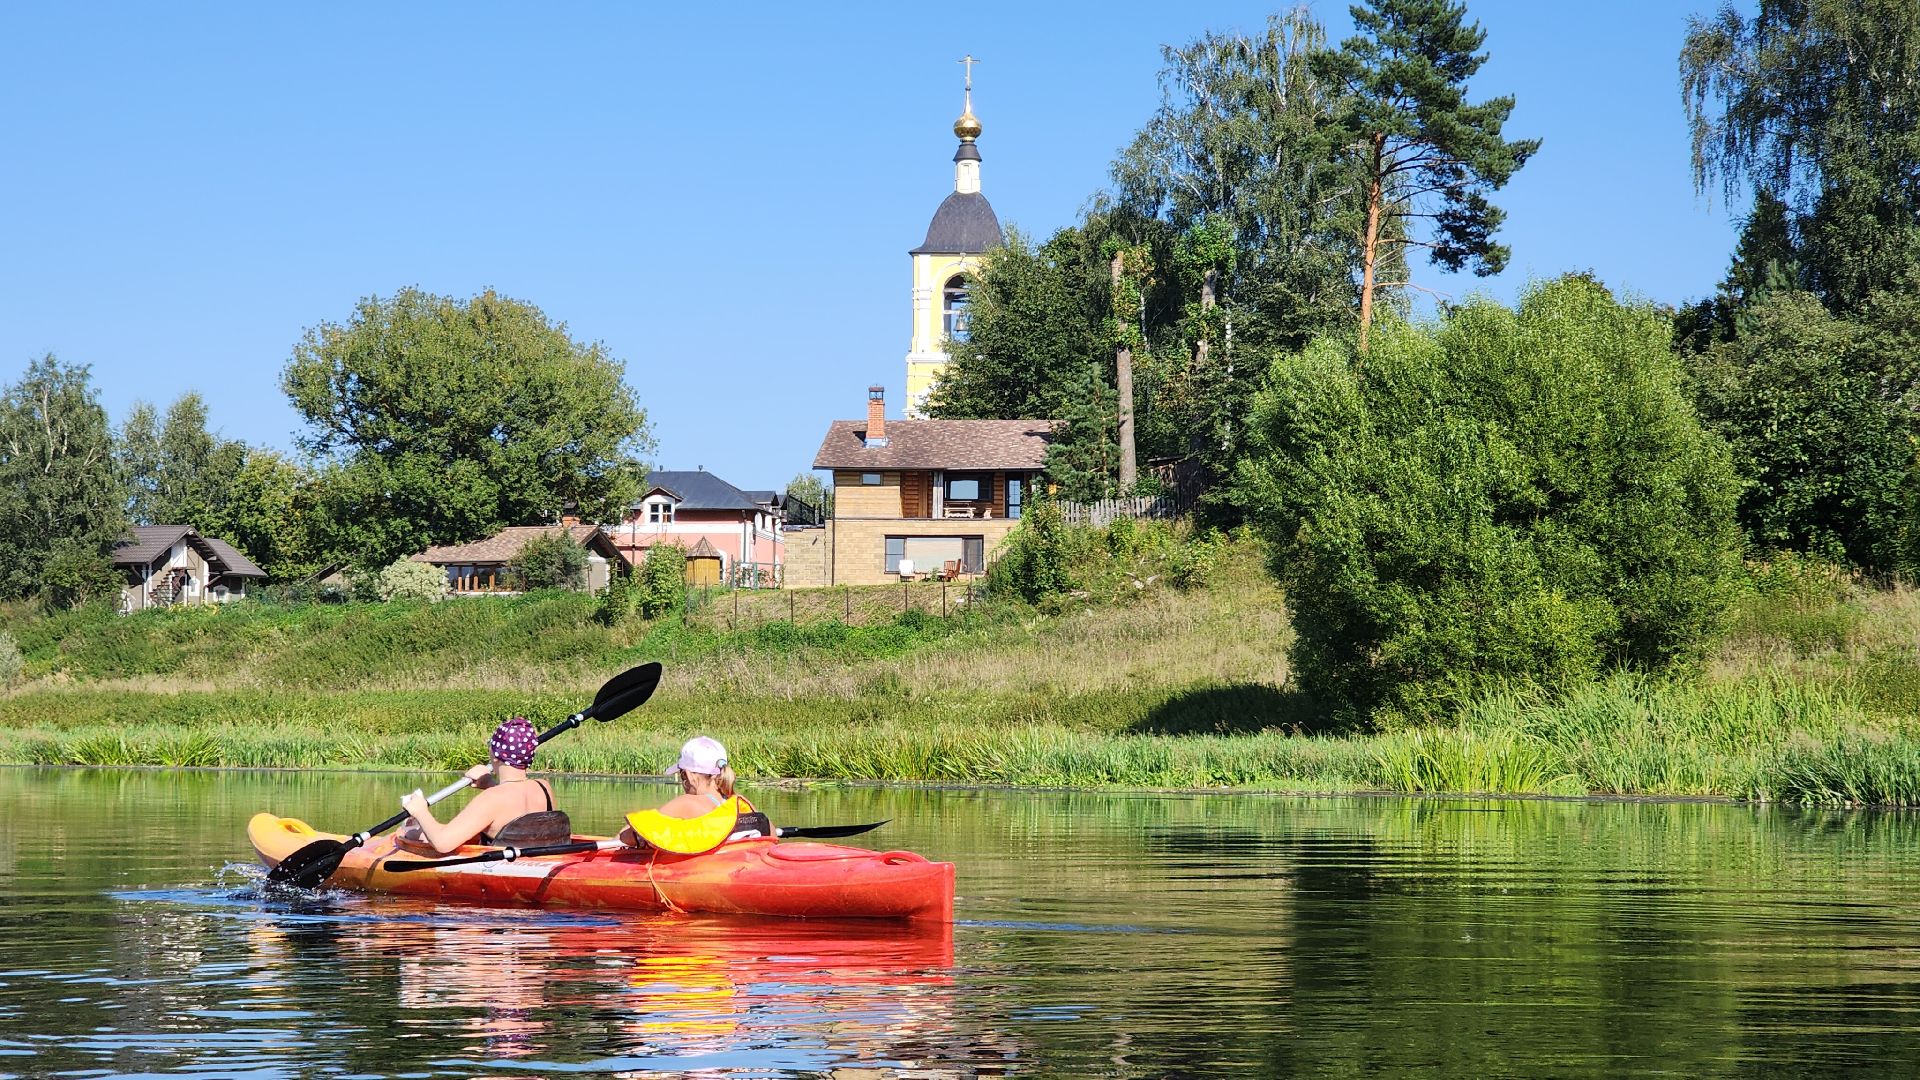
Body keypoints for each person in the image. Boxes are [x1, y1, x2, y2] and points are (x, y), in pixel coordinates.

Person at [397, 717, 569, 855]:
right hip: (535, 863)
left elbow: (443, 843)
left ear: (495, 755)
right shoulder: (544, 787)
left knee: (412, 833)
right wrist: (490, 784)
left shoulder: (491, 799)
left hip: (504, 871)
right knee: (419, 832)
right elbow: (516, 816)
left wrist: (420, 810)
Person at [617, 736, 764, 848]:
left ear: (688, 775)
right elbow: (768, 833)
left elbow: (627, 837)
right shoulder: (740, 804)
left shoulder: (686, 803)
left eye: (681, 775)